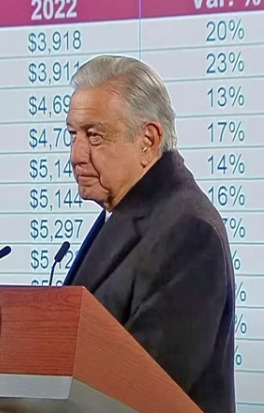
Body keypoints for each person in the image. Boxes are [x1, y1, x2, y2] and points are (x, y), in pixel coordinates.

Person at [63, 55, 235, 412]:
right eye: (72, 135)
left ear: (148, 140)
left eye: (94, 136)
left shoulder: (189, 232)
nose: (76, 156)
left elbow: (147, 384)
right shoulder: (126, 212)